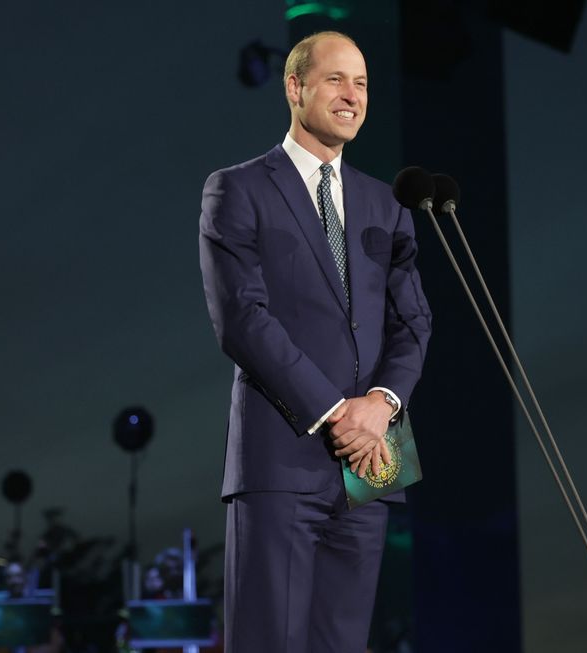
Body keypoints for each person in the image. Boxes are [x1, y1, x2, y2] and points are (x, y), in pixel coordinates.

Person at [198, 30, 431, 653]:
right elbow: (242, 319)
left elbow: (413, 323)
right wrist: (336, 413)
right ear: (294, 87)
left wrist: (379, 407)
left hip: (373, 463)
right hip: (282, 457)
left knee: (345, 643)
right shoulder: (237, 189)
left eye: (362, 84)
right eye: (336, 79)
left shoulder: (389, 205)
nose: (352, 95)